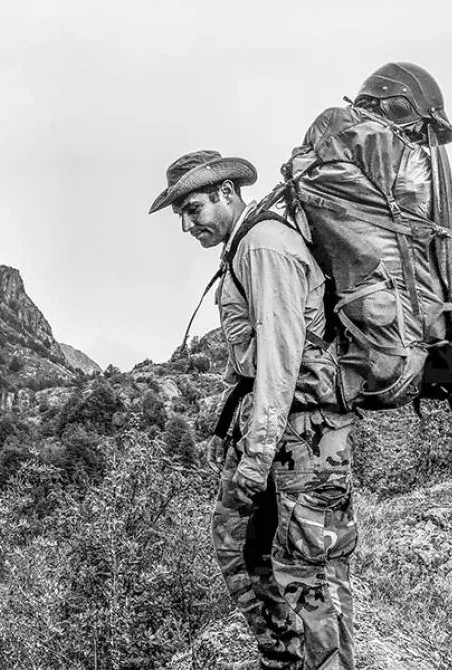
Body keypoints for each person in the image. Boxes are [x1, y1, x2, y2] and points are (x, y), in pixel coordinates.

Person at [149, 150, 358, 670]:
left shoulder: (264, 245)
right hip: (279, 432)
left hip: (304, 437)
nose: (186, 224)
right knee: (241, 546)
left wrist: (256, 456)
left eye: (192, 208)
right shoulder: (247, 246)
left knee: (309, 567)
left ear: (225, 193)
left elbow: (280, 359)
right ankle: (283, 659)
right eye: (180, 214)